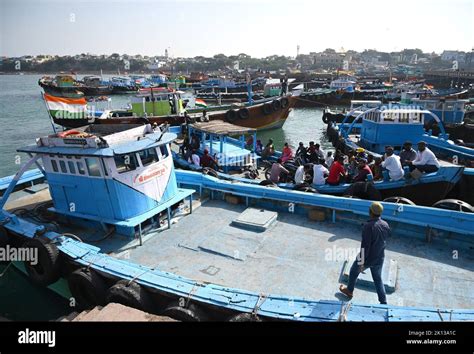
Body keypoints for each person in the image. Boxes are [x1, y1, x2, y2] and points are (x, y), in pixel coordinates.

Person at [339, 202, 389, 305]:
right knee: (378, 279)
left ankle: (349, 291)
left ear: (370, 212)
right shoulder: (385, 224)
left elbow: (365, 247)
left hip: (368, 258)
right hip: (380, 257)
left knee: (353, 271)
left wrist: (361, 263)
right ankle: (383, 302)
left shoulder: (368, 226)